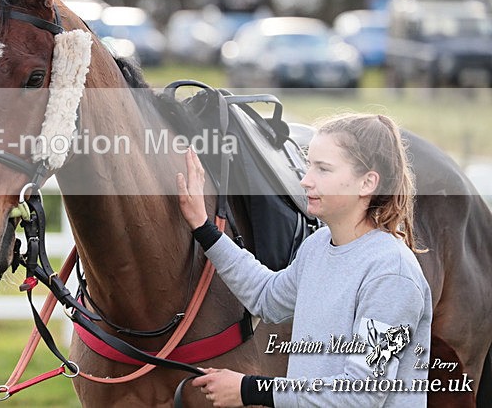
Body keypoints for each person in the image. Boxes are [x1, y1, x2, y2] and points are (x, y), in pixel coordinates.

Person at [175, 113, 432, 407]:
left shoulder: (392, 274)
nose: (305, 180)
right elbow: (266, 298)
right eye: (309, 165)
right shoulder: (317, 246)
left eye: (323, 169)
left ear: (367, 183)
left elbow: (362, 394)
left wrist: (249, 390)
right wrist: (204, 228)